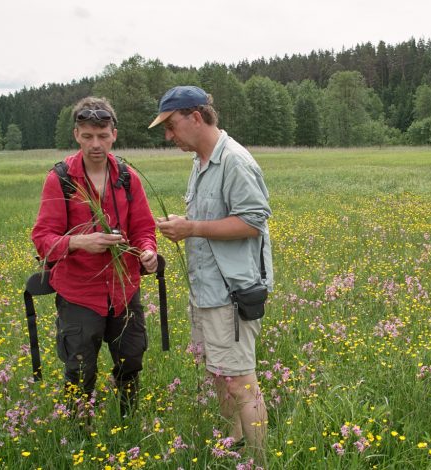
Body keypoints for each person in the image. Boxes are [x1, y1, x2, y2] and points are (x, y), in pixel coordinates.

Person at [151, 86, 272, 461]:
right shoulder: (200, 162)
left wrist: (192, 229)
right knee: (220, 376)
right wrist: (183, 226)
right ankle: (236, 444)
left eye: (172, 126)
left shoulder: (235, 161)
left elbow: (253, 222)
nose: (169, 136)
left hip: (231, 293)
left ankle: (260, 461)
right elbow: (204, 220)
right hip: (206, 291)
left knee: (240, 382)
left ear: (196, 117)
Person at [31, 96, 158, 419]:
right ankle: (78, 434)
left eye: (102, 136)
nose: (96, 144)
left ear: (114, 133)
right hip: (79, 294)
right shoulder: (60, 179)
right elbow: (42, 239)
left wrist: (147, 251)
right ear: (76, 135)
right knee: (79, 368)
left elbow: (144, 228)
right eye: (87, 136)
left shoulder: (128, 177)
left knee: (131, 362)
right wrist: (78, 243)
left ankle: (126, 422)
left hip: (124, 290)